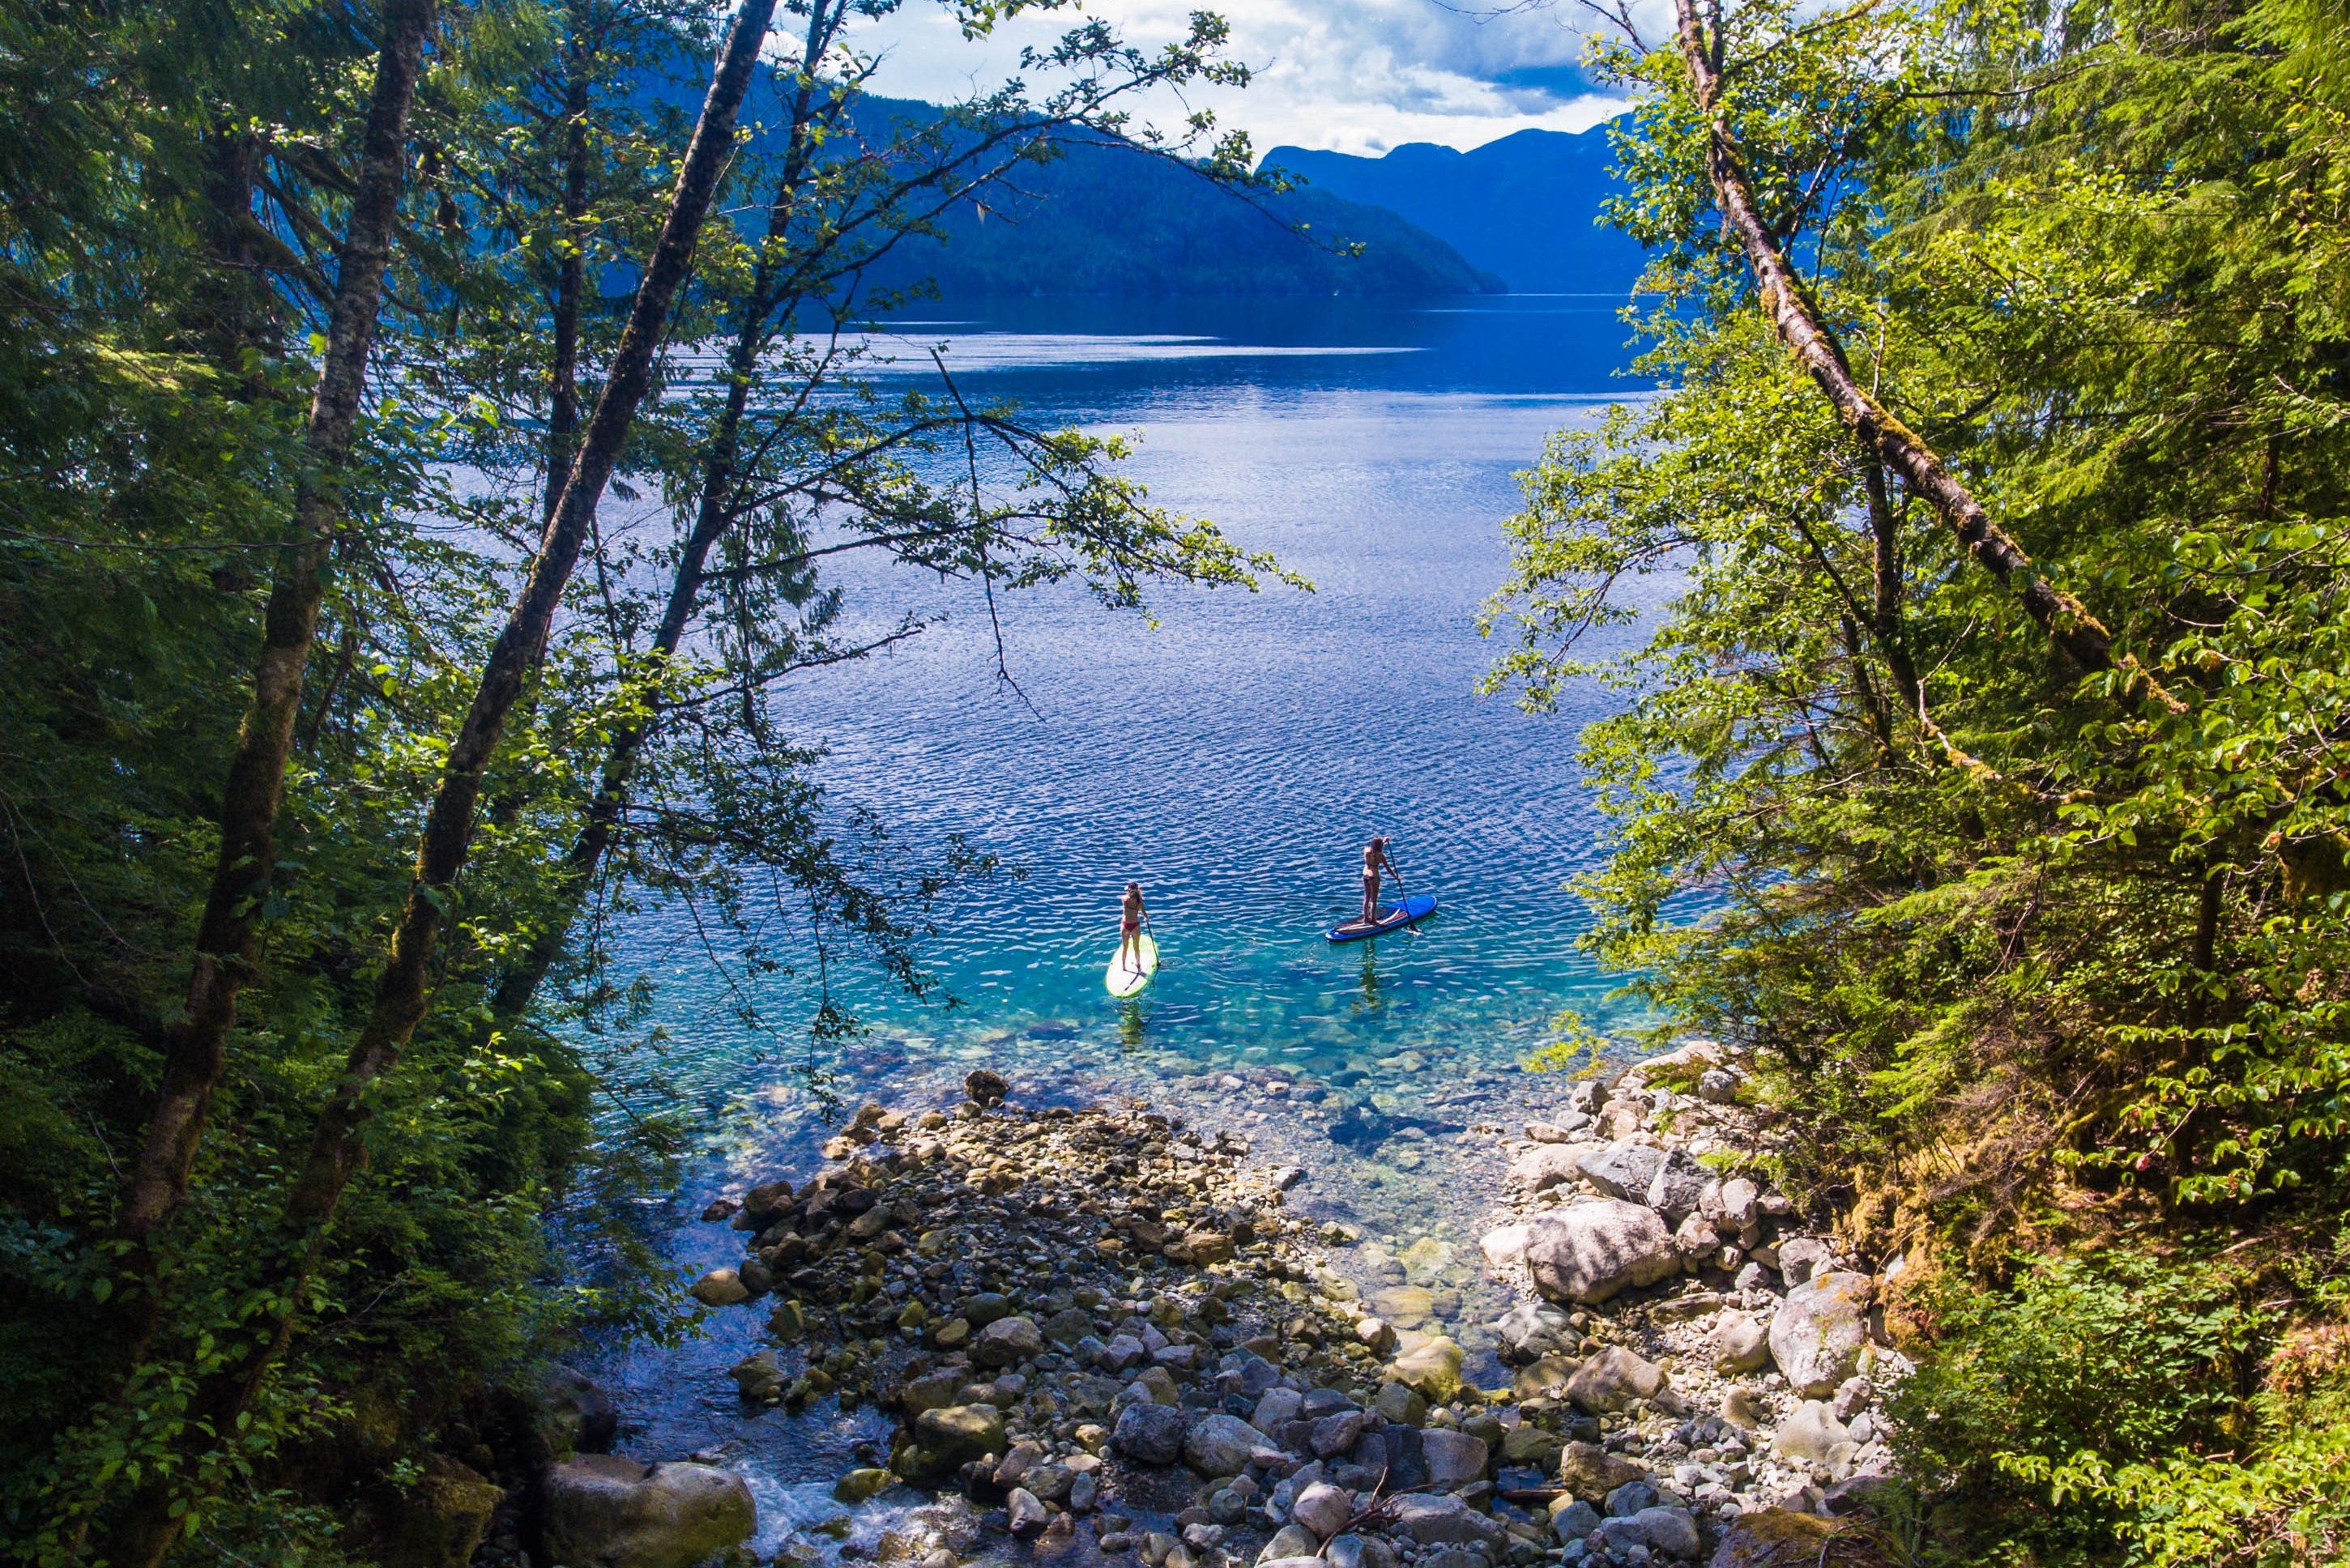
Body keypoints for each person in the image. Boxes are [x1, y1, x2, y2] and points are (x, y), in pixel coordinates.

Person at [1360, 836, 1400, 927]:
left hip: (1365, 875)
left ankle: (1366, 917)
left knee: (1367, 898)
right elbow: (1388, 869)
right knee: (1374, 900)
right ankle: (1373, 920)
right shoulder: (1381, 856)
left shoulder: (1366, 851)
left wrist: (1383, 841)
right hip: (1374, 877)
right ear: (1380, 846)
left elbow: (1372, 849)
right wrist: (1396, 877)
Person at [1119, 881, 1149, 974]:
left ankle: (1123, 967)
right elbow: (1145, 914)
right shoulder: (1140, 902)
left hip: (1125, 925)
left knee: (1125, 947)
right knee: (1136, 947)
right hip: (1135, 925)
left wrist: (1132, 891)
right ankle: (1138, 966)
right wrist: (1146, 918)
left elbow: (1125, 895)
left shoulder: (1124, 899)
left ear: (1129, 890)